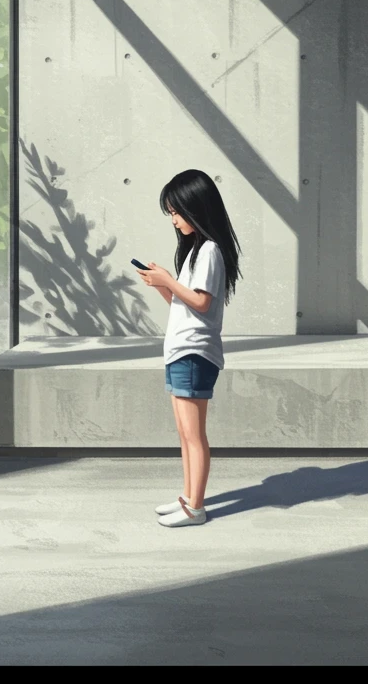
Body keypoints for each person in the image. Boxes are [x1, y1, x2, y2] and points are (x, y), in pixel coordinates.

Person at [138, 168, 242, 527]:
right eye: (170, 212)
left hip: (195, 353)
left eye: (177, 211)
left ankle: (195, 508)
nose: (174, 219)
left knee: (194, 435)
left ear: (196, 207)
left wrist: (168, 279)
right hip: (182, 350)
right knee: (185, 433)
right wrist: (163, 286)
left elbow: (200, 303)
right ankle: (188, 498)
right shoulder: (197, 251)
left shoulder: (210, 251)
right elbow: (187, 305)